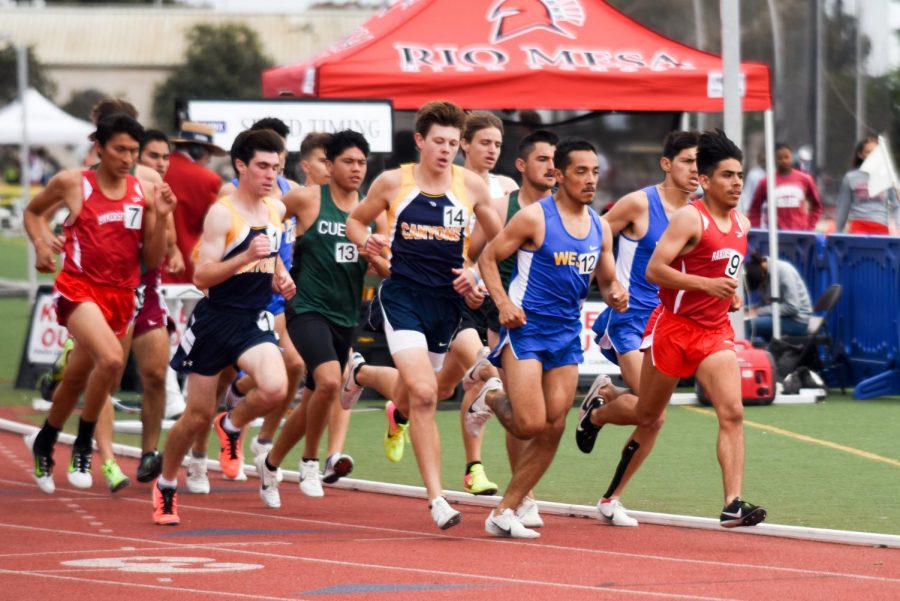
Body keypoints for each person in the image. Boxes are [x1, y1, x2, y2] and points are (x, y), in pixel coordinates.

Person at [577, 129, 767, 529]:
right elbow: (655, 270)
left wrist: (731, 296)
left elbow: (728, 268)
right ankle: (598, 416)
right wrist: (704, 286)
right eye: (728, 175)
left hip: (714, 332)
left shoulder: (742, 223)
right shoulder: (687, 218)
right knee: (649, 413)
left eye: (740, 175)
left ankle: (732, 502)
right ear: (708, 179)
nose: (736, 183)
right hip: (672, 329)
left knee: (731, 412)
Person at [345, 100, 501, 530]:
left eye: (453, 142)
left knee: (433, 390)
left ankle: (363, 378)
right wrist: (369, 244)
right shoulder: (394, 181)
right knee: (426, 394)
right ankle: (437, 499)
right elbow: (355, 222)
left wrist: (473, 268)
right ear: (420, 141)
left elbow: (498, 237)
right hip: (403, 297)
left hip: (447, 303)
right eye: (439, 141)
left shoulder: (471, 186)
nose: (446, 149)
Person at [466, 138, 627, 539]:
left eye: (594, 172)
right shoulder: (534, 218)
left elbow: (606, 280)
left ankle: (505, 511)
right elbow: (487, 258)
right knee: (529, 424)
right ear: (558, 175)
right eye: (580, 172)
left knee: (553, 427)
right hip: (527, 329)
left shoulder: (600, 227)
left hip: (566, 335)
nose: (590, 180)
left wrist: (616, 294)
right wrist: (502, 303)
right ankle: (489, 394)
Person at [22, 113, 173, 495]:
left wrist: (161, 218)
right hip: (78, 289)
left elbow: (153, 259)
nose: (127, 158)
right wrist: (42, 243)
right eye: (119, 149)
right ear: (100, 149)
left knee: (75, 379)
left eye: (133, 151)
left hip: (122, 296)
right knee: (111, 361)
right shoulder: (74, 183)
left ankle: (44, 440)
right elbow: (33, 212)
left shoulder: (143, 192)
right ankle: (83, 443)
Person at [152, 128, 294, 525]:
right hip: (216, 319)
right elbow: (203, 276)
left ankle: (231, 424)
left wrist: (280, 274)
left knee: (277, 387)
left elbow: (272, 256)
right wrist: (246, 256)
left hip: (252, 318)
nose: (270, 175)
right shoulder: (223, 212)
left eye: (276, 167)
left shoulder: (276, 210)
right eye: (263, 166)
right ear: (241, 166)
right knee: (195, 415)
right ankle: (165, 486)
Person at [255, 130, 389, 507]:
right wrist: (277, 266)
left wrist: (376, 257)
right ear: (328, 166)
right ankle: (310, 462)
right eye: (348, 161)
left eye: (362, 162)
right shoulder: (308, 198)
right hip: (306, 306)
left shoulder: (370, 211)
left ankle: (270, 462)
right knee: (330, 381)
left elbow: (384, 271)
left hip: (346, 314)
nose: (356, 169)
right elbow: (264, 219)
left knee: (317, 394)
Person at [212, 117, 305, 485]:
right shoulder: (228, 194)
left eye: (278, 159)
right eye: (266, 160)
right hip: (234, 298)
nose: (273, 167)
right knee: (223, 377)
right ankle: (206, 450)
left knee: (293, 367)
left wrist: (282, 271)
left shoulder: (288, 194)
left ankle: (261, 439)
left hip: (273, 297)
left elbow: (283, 238)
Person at [593, 131, 700, 393]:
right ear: (666, 164)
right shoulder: (638, 203)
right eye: (687, 161)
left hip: (669, 323)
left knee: (651, 409)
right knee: (648, 399)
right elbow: (594, 236)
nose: (695, 169)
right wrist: (610, 282)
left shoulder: (697, 215)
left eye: (701, 162)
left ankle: (605, 396)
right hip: (630, 317)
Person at [162, 122, 225, 285]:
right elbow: (212, 227)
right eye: (209, 153)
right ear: (199, 151)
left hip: (152, 266)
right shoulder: (209, 179)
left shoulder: (154, 170)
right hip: (188, 266)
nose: (209, 160)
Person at [747, 143, 822, 231]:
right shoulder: (766, 182)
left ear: (792, 158)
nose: (783, 161)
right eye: (779, 158)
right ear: (774, 160)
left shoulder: (805, 179)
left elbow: (817, 206)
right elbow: (754, 209)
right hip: (775, 234)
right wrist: (758, 230)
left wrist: (810, 228)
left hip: (799, 234)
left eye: (786, 157)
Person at [834, 136, 900, 235]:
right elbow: (843, 207)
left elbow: (896, 206)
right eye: (868, 152)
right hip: (858, 228)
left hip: (881, 228)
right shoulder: (850, 177)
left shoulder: (887, 177)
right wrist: (838, 232)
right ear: (861, 154)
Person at [744, 252, 811, 340]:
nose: (760, 289)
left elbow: (793, 307)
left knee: (747, 325)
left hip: (797, 321)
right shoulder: (763, 272)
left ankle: (745, 352)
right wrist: (750, 309)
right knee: (743, 321)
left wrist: (758, 311)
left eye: (760, 286)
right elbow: (767, 303)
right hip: (782, 316)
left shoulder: (783, 272)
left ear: (762, 277)